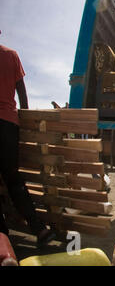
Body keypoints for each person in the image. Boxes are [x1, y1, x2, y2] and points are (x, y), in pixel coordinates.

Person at [0, 44, 55, 247]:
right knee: (14, 179)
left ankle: (3, 237)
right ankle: (38, 229)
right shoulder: (11, 55)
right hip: (8, 124)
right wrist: (25, 117)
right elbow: (21, 91)